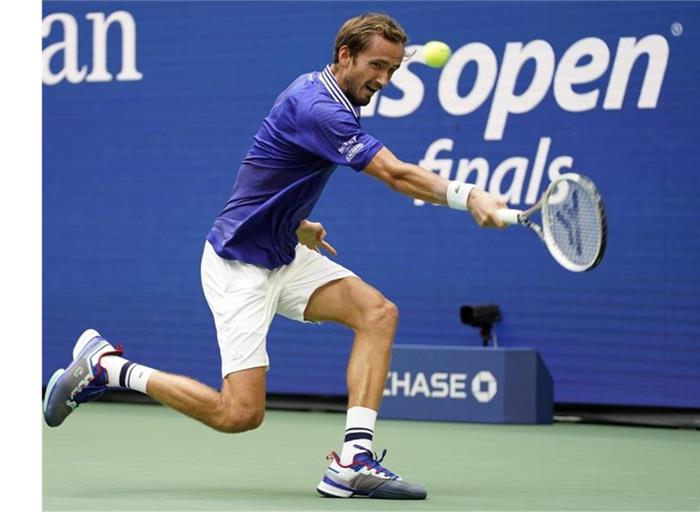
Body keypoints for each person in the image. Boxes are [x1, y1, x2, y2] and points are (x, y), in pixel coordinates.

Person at [42, 12, 507, 500]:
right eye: (377, 67)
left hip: (283, 250)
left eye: (392, 68)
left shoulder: (337, 83)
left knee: (378, 314)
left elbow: (271, 169)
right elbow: (395, 174)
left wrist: (294, 222)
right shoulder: (320, 108)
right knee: (240, 414)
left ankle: (353, 461)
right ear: (344, 55)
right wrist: (469, 194)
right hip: (239, 265)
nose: (384, 80)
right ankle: (109, 369)